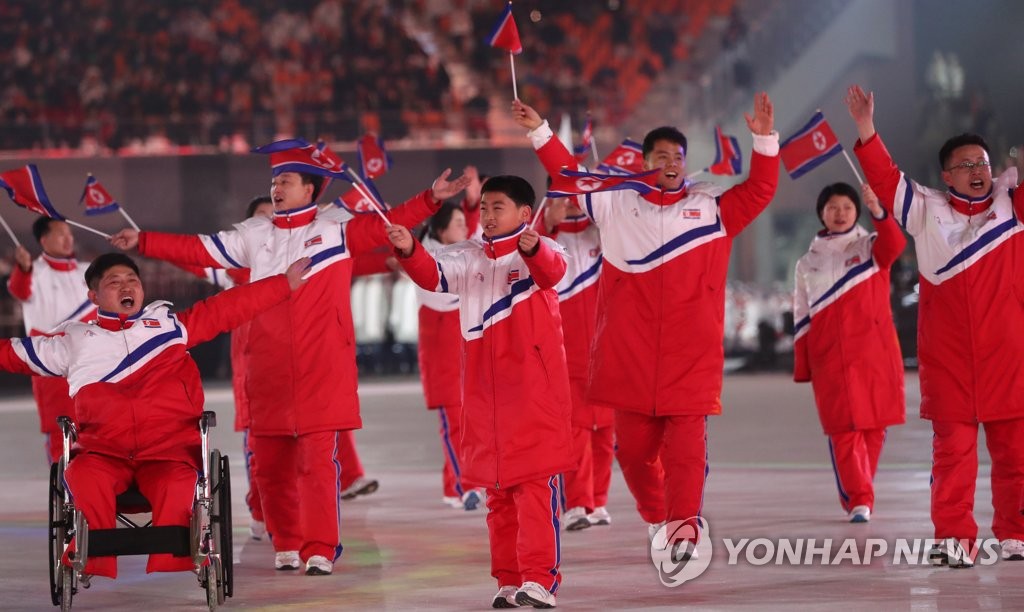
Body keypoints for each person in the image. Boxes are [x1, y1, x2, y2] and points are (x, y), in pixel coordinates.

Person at [109, 139, 469, 576]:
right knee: (271, 464)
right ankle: (286, 541)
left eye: (285, 181)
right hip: (267, 368)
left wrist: (430, 199)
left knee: (319, 464)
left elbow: (386, 225)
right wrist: (144, 241)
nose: (276, 188)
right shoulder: (253, 236)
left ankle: (320, 548)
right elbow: (199, 249)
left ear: (311, 190)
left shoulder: (336, 229)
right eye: (274, 180)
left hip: (323, 369)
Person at [512, 93, 779, 560]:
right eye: (661, 156)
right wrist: (541, 132)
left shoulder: (711, 209)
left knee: (686, 457)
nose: (672, 163)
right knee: (633, 457)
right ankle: (659, 517)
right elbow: (570, 175)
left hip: (690, 360)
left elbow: (759, 190)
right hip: (628, 360)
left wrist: (763, 140)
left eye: (678, 157)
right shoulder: (614, 205)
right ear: (645, 163)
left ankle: (684, 531)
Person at [0, 252, 308, 579]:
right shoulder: (73, 343)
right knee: (81, 476)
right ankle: (93, 559)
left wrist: (281, 285)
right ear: (93, 296)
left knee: (177, 482)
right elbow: (13, 352)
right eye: (114, 283)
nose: (126, 287)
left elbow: (226, 308)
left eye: (132, 280)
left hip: (168, 451)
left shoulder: (170, 327)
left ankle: (175, 554)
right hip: (104, 452)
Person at [846, 84, 1024, 566]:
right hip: (950, 363)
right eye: (965, 166)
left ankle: (1015, 533)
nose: (977, 172)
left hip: (1010, 358)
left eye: (983, 164)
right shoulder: (926, 210)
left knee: (1016, 459)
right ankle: (954, 538)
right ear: (947, 174)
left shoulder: (1014, 208)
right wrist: (866, 128)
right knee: (953, 457)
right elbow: (885, 180)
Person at [386, 175, 572, 609]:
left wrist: (534, 247)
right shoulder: (467, 255)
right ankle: (508, 580)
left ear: (526, 214)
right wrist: (409, 248)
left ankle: (540, 579)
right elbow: (432, 275)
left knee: (534, 488)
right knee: (497, 494)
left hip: (532, 395)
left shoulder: (543, 251)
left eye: (498, 207)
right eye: (484, 208)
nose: (487, 216)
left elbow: (553, 270)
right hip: (484, 398)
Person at [792, 182, 906, 523]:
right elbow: (800, 314)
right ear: (821, 213)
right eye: (832, 207)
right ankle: (859, 497)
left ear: (857, 212)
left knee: (874, 426)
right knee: (843, 429)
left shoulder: (871, 247)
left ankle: (861, 491)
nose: (839, 213)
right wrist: (804, 364)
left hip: (875, 353)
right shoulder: (807, 262)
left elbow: (896, 244)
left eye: (846, 206)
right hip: (831, 359)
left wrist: (879, 212)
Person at [538, 191, 615, 531]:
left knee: (606, 431)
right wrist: (548, 223)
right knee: (575, 432)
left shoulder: (603, 230)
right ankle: (576, 503)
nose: (569, 202)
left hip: (607, 352)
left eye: (575, 194)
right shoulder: (542, 239)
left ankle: (598, 501)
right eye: (562, 194)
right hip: (566, 351)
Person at [412, 202, 485, 510]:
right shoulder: (427, 259)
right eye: (457, 223)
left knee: (471, 422)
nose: (464, 229)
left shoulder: (467, 253)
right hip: (442, 361)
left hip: (468, 355)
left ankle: (456, 484)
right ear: (441, 230)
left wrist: (472, 206)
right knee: (454, 423)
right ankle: (464, 486)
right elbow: (445, 293)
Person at [6, 217, 96, 464]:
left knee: (97, 425)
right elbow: (20, 289)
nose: (68, 239)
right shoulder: (33, 272)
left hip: (91, 361)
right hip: (51, 365)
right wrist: (22, 269)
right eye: (60, 234)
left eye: (69, 234)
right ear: (44, 240)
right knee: (60, 429)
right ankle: (65, 490)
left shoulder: (86, 271)